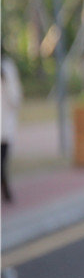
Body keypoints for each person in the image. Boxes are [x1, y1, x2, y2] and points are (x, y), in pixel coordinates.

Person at [1, 51, 22, 202]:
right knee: (2, 161)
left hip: (4, 125)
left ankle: (7, 193)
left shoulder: (6, 68)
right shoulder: (7, 68)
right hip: (4, 126)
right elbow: (15, 97)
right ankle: (7, 193)